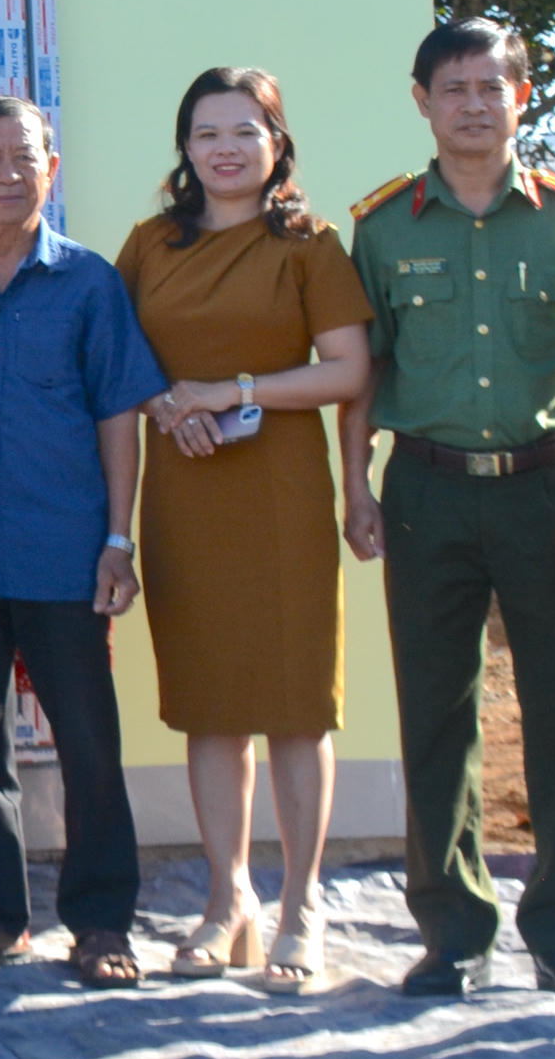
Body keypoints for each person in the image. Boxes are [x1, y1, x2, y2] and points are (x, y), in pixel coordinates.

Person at [338, 20, 555, 1001]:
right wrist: (355, 485)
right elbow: (364, 372)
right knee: (435, 713)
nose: (472, 105)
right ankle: (452, 930)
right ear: (422, 101)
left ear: (521, 97)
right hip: (426, 489)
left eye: (490, 87)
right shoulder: (384, 227)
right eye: (452, 88)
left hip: (549, 487)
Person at [0, 95, 166, 992]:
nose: (8, 174)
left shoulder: (89, 282)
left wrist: (119, 539)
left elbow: (119, 414)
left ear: (52, 169)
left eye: (26, 157)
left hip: (64, 548)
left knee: (89, 742)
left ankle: (100, 920)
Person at [121, 65, 373, 991]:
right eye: (206, 133)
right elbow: (116, 355)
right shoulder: (151, 244)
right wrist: (165, 405)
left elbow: (348, 370)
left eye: (244, 131)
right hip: (185, 491)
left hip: (280, 494)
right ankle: (227, 901)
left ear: (277, 142)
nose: (224, 150)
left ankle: (302, 906)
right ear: (184, 148)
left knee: (298, 706)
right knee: (211, 703)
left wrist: (231, 392)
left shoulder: (309, 244)